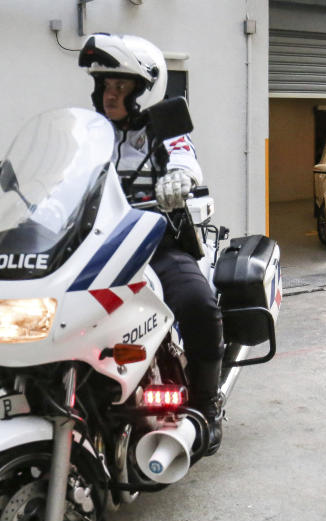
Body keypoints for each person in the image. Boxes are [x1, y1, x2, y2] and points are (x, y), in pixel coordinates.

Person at [79, 33, 226, 453]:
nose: (110, 94)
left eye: (121, 86)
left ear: (145, 91)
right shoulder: (89, 133)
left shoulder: (162, 129)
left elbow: (184, 156)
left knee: (199, 305)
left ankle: (205, 404)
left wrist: (179, 177)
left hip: (153, 243)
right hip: (94, 246)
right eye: (106, 85)